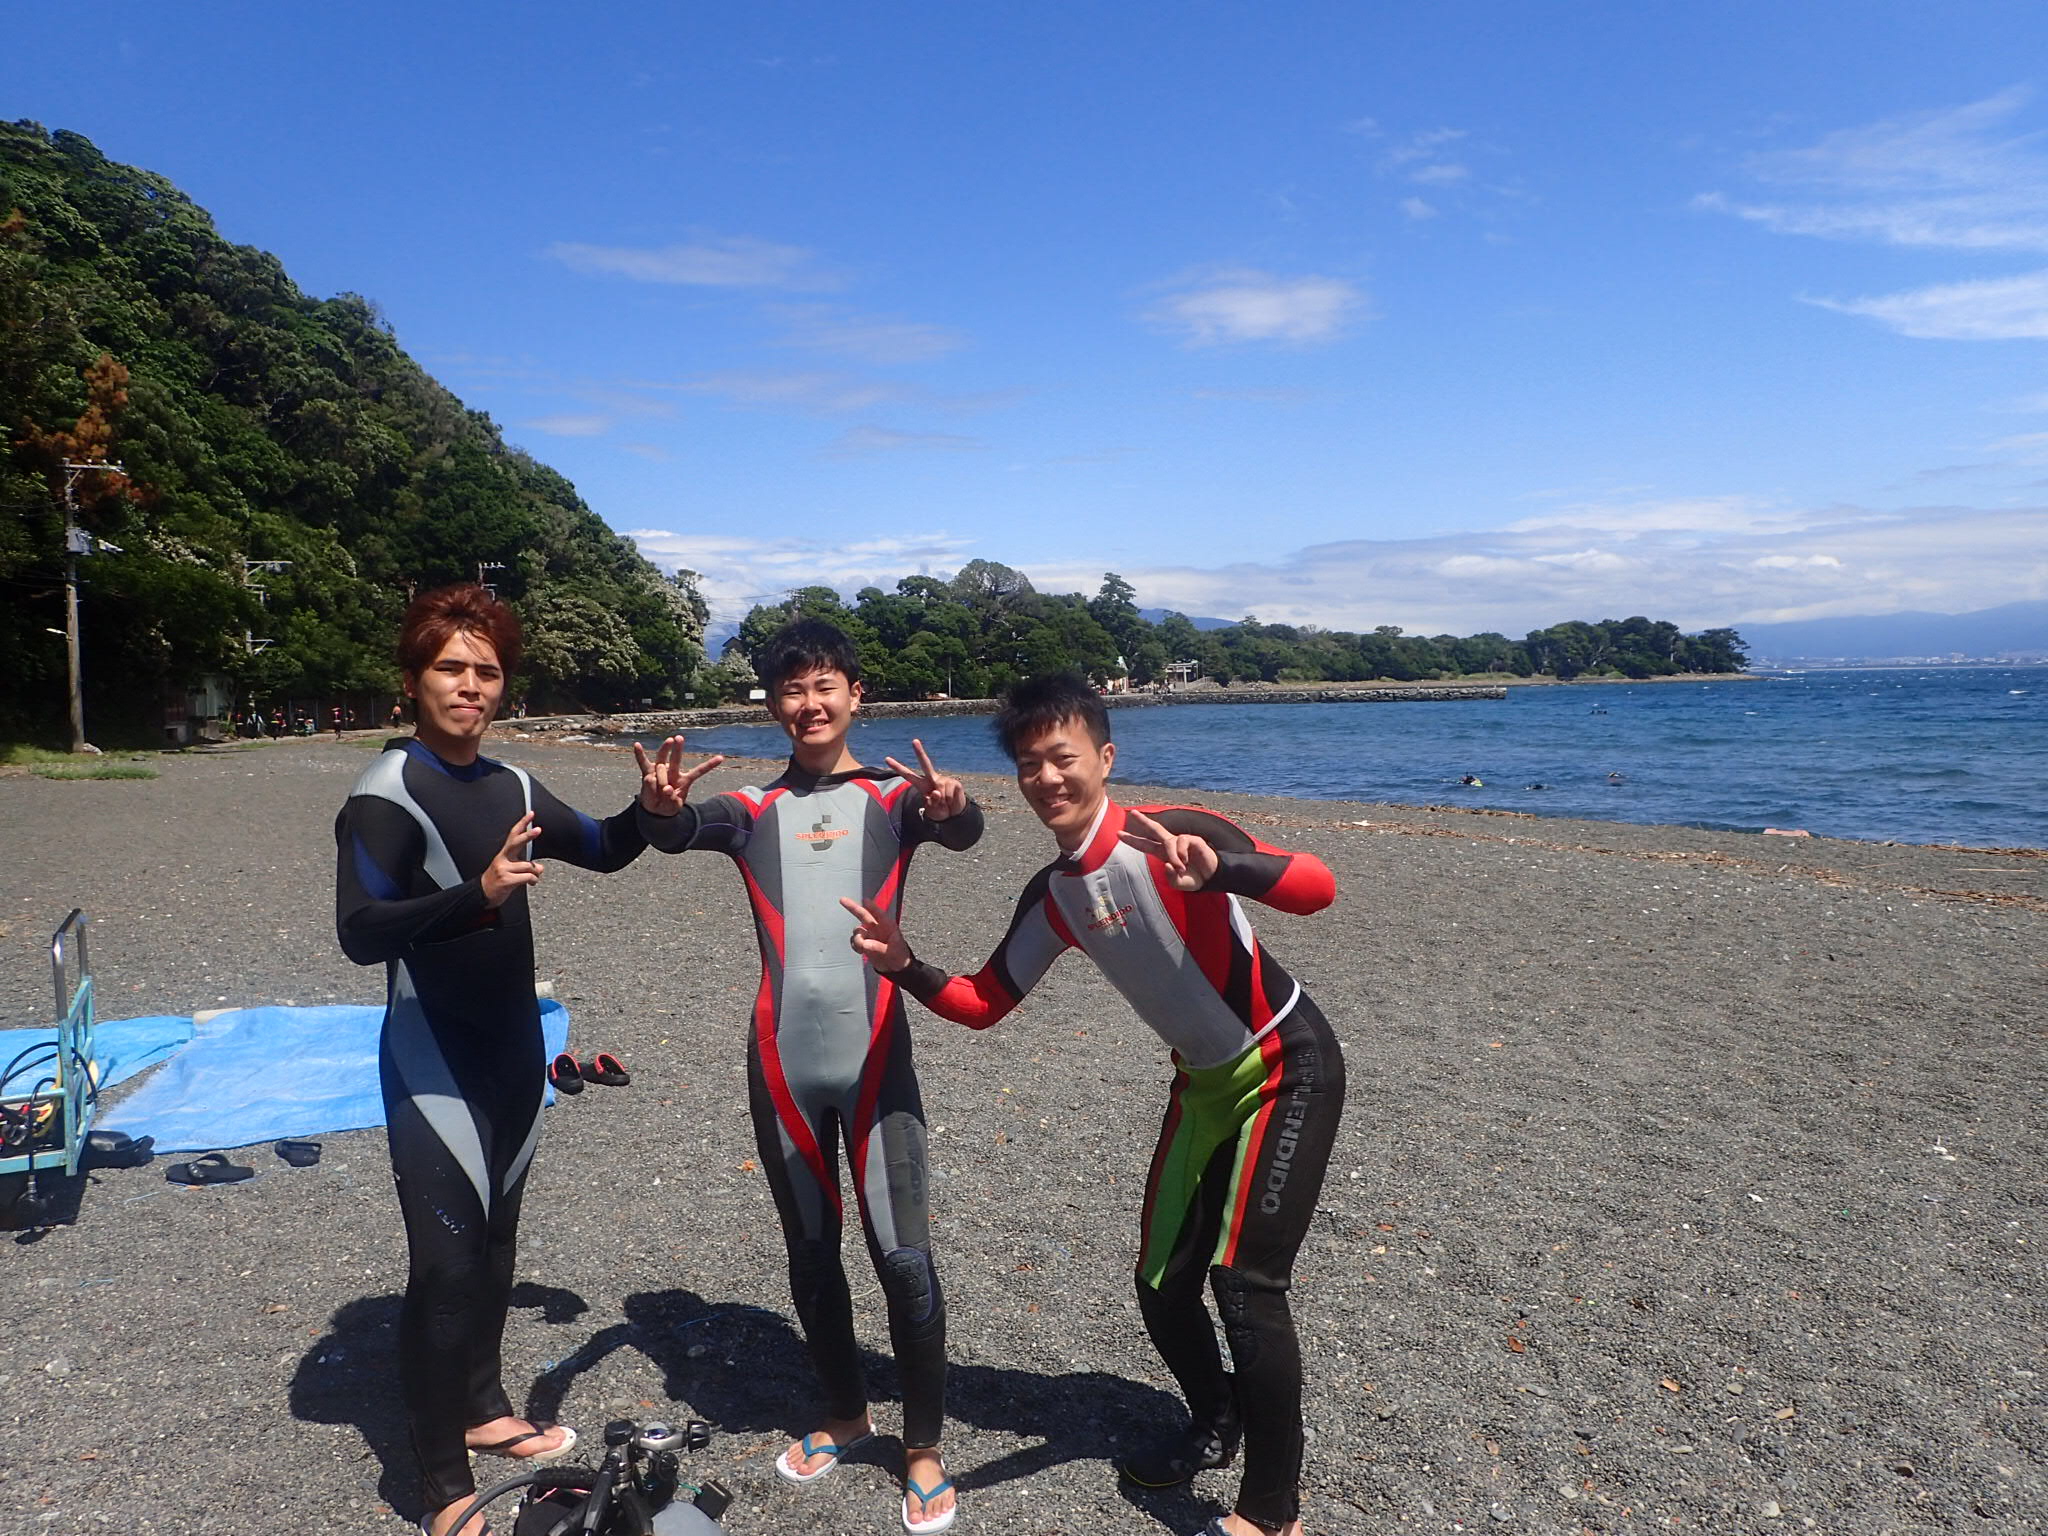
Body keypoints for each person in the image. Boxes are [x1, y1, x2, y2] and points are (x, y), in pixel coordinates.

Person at [844, 672, 1347, 1536]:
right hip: (1202, 1084)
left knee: (1243, 1284)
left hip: (1286, 1061)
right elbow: (984, 1002)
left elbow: (1318, 885)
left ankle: (1272, 1512)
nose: (1047, 778)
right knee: (1161, 1285)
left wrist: (1223, 870)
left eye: (1062, 757)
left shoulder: (1172, 832)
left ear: (1104, 757)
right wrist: (903, 964)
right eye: (1029, 764)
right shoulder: (1055, 894)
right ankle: (1216, 1418)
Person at [634, 618, 981, 1535]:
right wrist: (659, 810)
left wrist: (954, 807)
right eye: (793, 688)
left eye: (826, 684)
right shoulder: (751, 809)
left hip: (875, 1057)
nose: (810, 703)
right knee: (813, 1253)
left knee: (903, 1258)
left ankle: (922, 1448)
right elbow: (677, 832)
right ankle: (845, 1412)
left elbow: (962, 830)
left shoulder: (895, 799)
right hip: (782, 1062)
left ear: (855, 695)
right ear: (775, 704)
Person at [334, 584, 659, 1536]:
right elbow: (359, 931)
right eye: (450, 668)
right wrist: (474, 894)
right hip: (433, 1060)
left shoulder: (512, 785)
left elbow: (604, 848)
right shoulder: (386, 794)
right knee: (444, 1269)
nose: (469, 685)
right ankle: (439, 1482)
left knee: (496, 1249)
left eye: (485, 670)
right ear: (412, 681)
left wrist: (649, 811)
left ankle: (481, 1406)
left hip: (514, 1055)